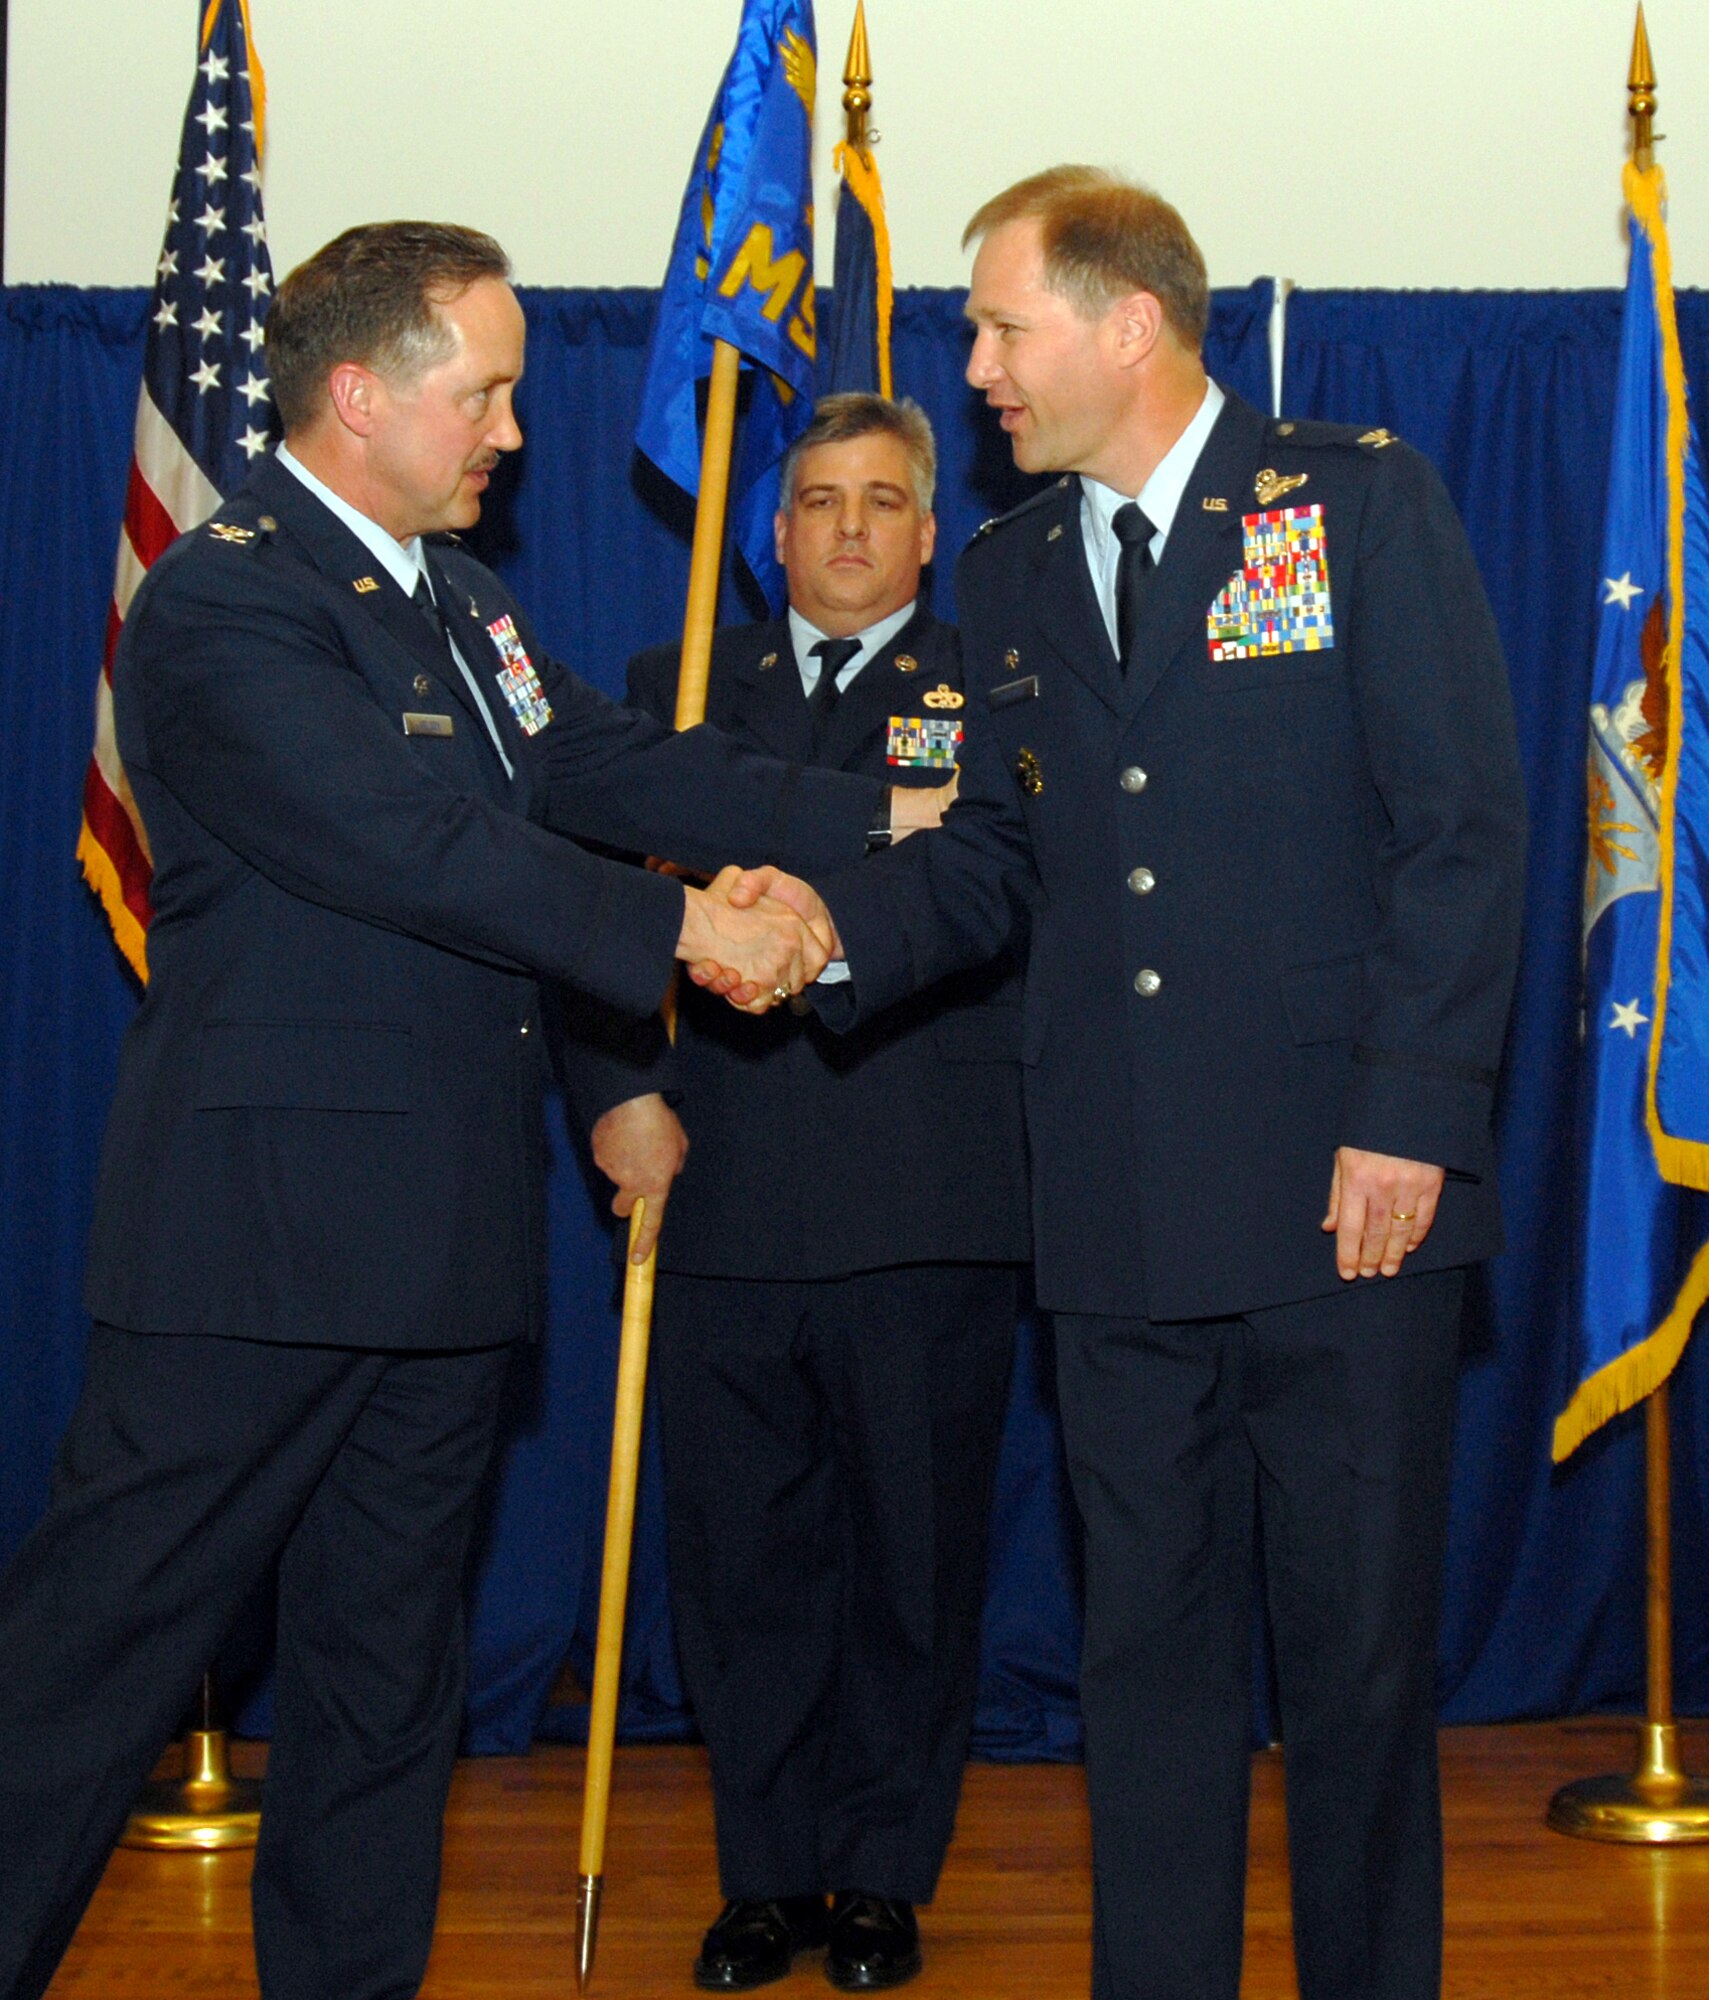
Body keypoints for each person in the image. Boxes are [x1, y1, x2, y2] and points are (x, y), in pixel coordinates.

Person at [0, 222, 940, 2000]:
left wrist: (884, 819)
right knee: (88, 1672)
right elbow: (417, 845)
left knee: (382, 1690)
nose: (513, 430)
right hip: (253, 1252)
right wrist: (687, 927)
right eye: (486, 389)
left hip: (438, 1250)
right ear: (359, 395)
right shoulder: (225, 599)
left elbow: (597, 761)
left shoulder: (462, 601)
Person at [743, 168, 1527, 2000]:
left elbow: (1461, 834)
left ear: (1127, 323)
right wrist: (827, 938)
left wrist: (1407, 1108)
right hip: (1108, 1217)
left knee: (1351, 1675)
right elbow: (999, 865)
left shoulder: (1347, 503)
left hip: (1347, 1208)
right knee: (1143, 1677)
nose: (981, 370)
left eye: (1003, 329)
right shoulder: (1008, 576)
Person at [588, 394, 1028, 1993]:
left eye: (881, 501)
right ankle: (763, 1878)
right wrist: (619, 1090)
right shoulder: (674, 696)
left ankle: (876, 1878)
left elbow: (987, 900)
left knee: (913, 1562)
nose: (847, 528)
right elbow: (583, 921)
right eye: (818, 501)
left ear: (928, 533)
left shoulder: (994, 696)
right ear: (767, 534)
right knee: (741, 1562)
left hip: (929, 1193)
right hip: (716, 1183)